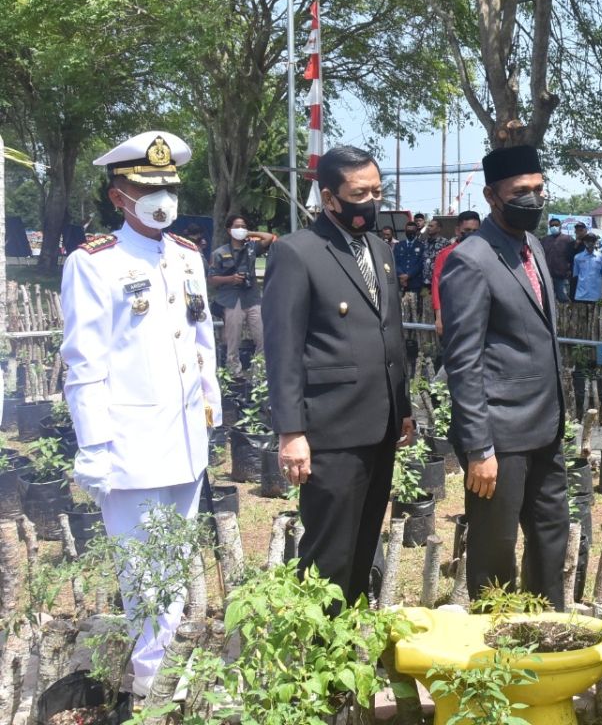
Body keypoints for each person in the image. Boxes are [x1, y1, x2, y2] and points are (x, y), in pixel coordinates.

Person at [61, 131, 222, 697]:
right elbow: (84, 361)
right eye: (143, 187)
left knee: (175, 561)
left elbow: (202, 340)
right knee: (141, 569)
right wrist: (95, 444)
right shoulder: (94, 263)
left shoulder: (186, 255)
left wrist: (211, 415)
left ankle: (160, 671)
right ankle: (151, 685)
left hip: (184, 438)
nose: (161, 199)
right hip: (129, 443)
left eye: (167, 187)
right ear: (117, 195)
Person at [262, 145, 415, 605]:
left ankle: (349, 643)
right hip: (332, 429)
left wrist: (403, 409)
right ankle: (321, 657)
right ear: (330, 199)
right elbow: (283, 350)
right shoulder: (298, 253)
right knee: (329, 552)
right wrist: (291, 432)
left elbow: (391, 334)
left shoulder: (380, 250)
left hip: (380, 424)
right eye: (359, 193)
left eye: (377, 190)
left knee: (365, 540)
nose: (371, 200)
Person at [439, 144, 569, 610]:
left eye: (538, 189)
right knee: (495, 549)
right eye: (520, 192)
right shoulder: (470, 259)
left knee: (552, 534)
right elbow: (464, 359)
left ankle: (548, 627)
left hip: (547, 427)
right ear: (493, 196)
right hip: (499, 435)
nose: (533, 199)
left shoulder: (531, 246)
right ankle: (496, 640)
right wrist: (479, 448)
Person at [209, 214, 276, 371]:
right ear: (228, 230)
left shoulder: (252, 248)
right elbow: (211, 279)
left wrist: (250, 233)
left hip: (252, 297)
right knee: (233, 339)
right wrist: (231, 279)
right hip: (231, 299)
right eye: (237, 227)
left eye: (243, 226)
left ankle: (259, 372)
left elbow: (269, 238)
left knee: (261, 335)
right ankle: (234, 372)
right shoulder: (219, 252)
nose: (240, 229)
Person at [431, 211, 482, 337]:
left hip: (479, 315)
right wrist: (439, 317)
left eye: (475, 230)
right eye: (467, 229)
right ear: (457, 230)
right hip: (453, 315)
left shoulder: (486, 253)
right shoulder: (445, 255)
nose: (471, 234)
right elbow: (437, 286)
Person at [540, 217, 575, 304]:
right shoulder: (545, 240)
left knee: (563, 299)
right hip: (547, 277)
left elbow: (573, 258)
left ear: (560, 226)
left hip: (562, 276)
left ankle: (566, 317)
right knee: (547, 300)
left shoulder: (568, 240)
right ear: (549, 227)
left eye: (556, 225)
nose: (554, 227)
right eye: (552, 225)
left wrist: (570, 271)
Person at [393, 218, 425, 293]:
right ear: (405, 231)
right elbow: (395, 261)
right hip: (400, 281)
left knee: (414, 304)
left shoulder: (421, 246)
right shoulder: (399, 245)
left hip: (415, 282)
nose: (410, 232)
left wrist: (408, 275)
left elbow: (420, 264)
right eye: (408, 231)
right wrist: (401, 275)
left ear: (416, 231)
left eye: (412, 231)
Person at [572, 233, 602, 302]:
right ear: (584, 242)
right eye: (588, 241)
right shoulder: (577, 257)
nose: (590, 243)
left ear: (595, 242)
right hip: (581, 294)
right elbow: (576, 275)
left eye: (592, 241)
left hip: (596, 294)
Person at [421, 218, 451, 295]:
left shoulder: (445, 243)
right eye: (428, 226)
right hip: (425, 283)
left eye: (431, 226)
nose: (428, 228)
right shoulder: (424, 243)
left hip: (438, 283)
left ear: (438, 229)